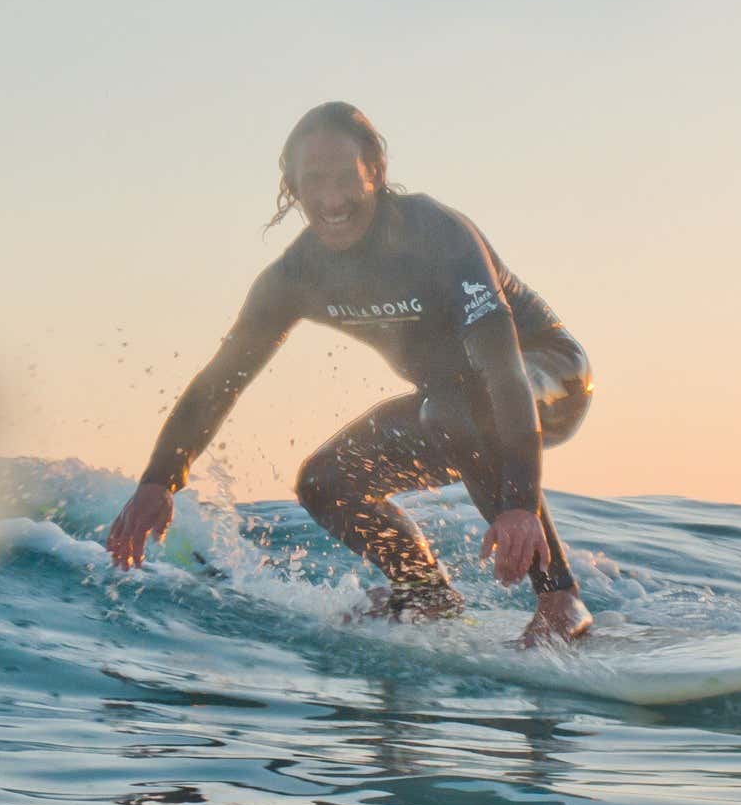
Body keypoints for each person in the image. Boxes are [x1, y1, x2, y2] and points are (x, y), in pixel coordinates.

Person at [104, 101, 596, 645]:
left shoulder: (435, 234)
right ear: (293, 186)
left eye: (345, 178)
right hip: (450, 408)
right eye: (314, 181)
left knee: (455, 407)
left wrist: (520, 506)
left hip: (549, 378)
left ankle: (559, 597)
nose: (331, 198)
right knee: (326, 481)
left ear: (375, 172)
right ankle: (424, 591)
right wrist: (159, 480)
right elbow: (221, 381)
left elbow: (502, 368)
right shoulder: (296, 275)